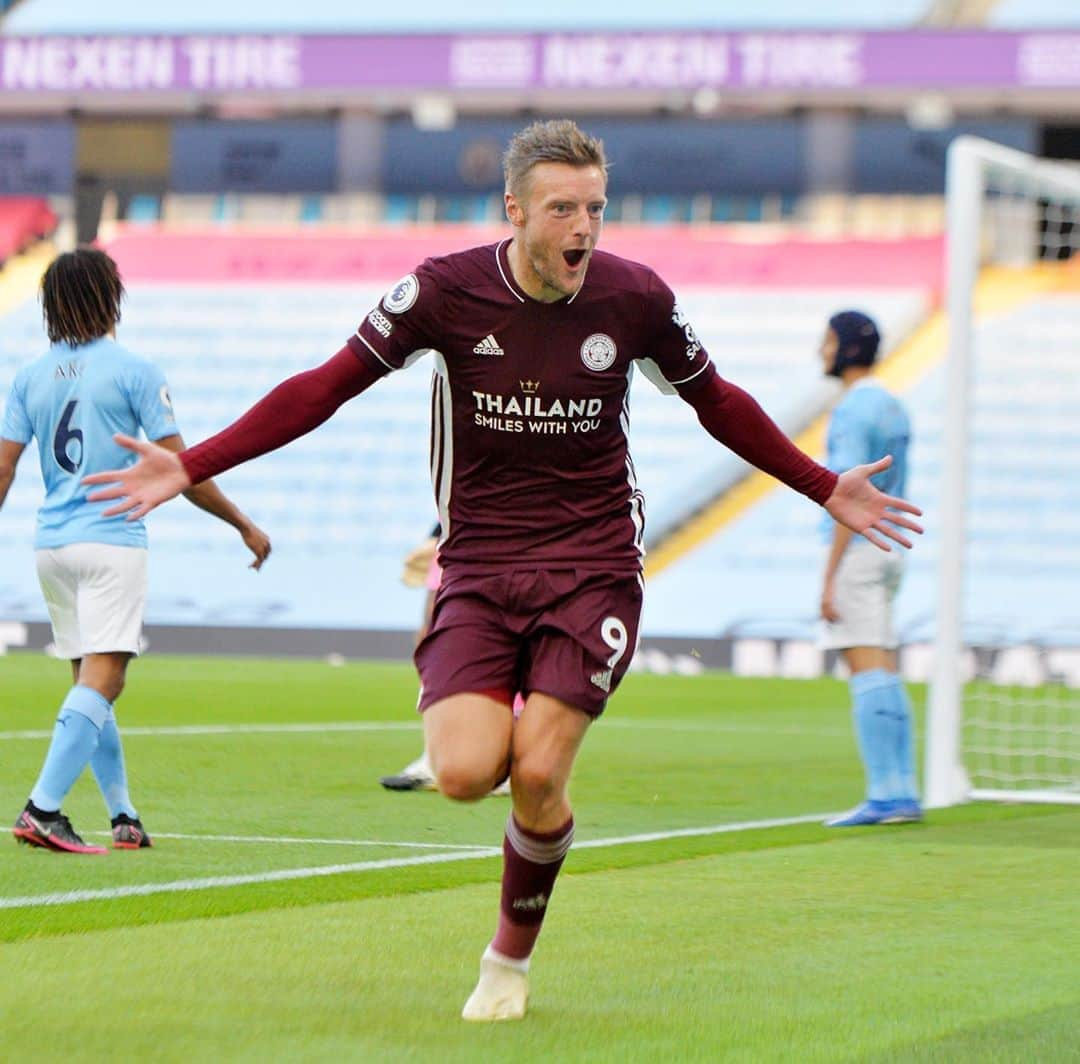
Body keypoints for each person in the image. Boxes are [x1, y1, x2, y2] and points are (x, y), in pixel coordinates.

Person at [83, 121, 921, 1017]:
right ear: (515, 209)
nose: (585, 228)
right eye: (564, 209)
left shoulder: (636, 298)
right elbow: (323, 386)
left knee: (540, 774)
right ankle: (507, 722)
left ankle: (507, 961)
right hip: (478, 562)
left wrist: (822, 484)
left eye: (596, 208)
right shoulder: (442, 292)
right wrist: (195, 461)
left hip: (593, 563)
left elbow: (718, 401)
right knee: (462, 775)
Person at [0, 247, 271, 855]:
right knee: (107, 677)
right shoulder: (134, 370)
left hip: (52, 545)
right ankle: (42, 809)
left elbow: (2, 470)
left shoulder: (28, 377)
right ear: (109, 299)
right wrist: (242, 523)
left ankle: (123, 816)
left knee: (87, 682)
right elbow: (183, 469)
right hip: (111, 539)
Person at [817, 311, 922, 827]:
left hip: (859, 546)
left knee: (866, 669)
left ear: (848, 347)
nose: (822, 350)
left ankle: (886, 793)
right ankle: (902, 787)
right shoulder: (893, 404)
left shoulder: (853, 410)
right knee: (883, 663)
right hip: (889, 547)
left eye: (829, 340)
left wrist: (829, 576)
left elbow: (846, 496)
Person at [380, 522, 513, 795]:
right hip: (456, 545)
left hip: (501, 553)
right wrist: (433, 537)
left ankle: (510, 764)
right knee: (434, 645)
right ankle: (430, 760)